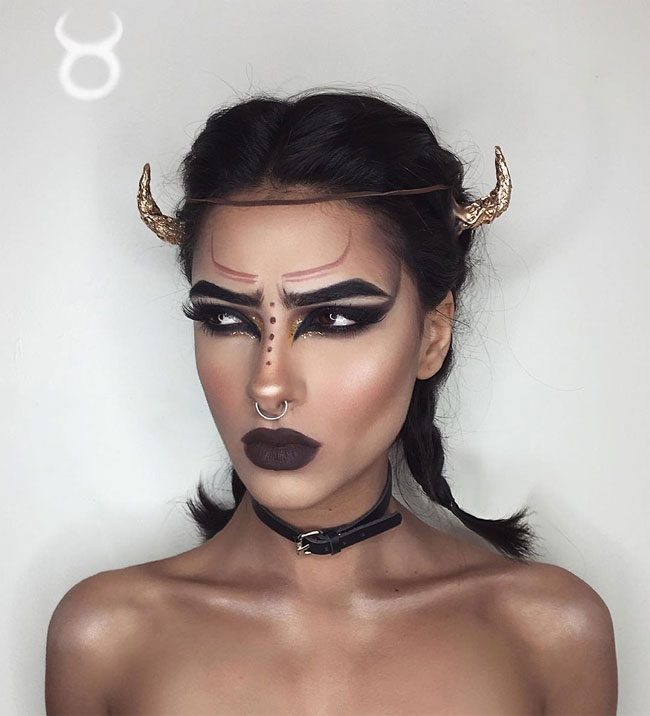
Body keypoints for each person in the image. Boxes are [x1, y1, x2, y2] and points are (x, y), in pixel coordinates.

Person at [45, 89, 617, 715]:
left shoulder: (548, 633)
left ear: (432, 334)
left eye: (334, 319)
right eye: (227, 320)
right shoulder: (106, 638)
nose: (267, 386)